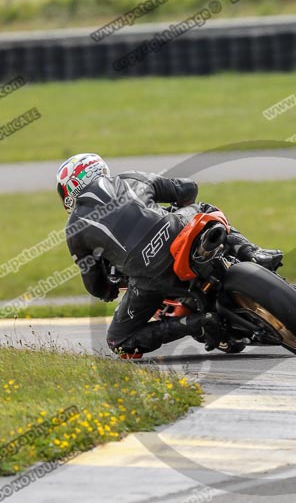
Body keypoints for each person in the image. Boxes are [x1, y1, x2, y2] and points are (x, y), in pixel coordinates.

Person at [57, 153, 283, 358]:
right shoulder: (130, 178)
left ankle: (197, 323)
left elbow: (95, 285)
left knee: (119, 341)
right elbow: (187, 188)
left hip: (150, 277)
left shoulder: (74, 228)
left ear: (69, 190)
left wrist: (109, 289)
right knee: (205, 209)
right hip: (177, 232)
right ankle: (254, 252)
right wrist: (177, 205)